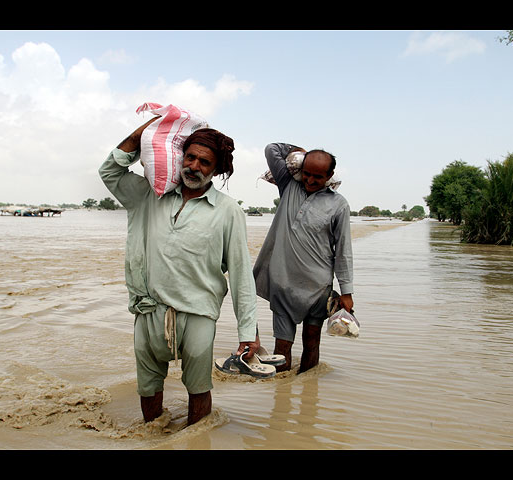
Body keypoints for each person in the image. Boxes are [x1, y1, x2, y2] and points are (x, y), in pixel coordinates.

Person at [99, 117, 259, 425]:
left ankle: (196, 436)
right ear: (180, 157)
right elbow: (109, 171)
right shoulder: (149, 194)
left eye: (204, 162)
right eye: (190, 157)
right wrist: (140, 134)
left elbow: (240, 275)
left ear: (217, 170)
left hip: (198, 312)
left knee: (199, 388)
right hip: (149, 308)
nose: (194, 166)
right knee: (147, 387)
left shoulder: (228, 211)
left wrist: (247, 333)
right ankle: (152, 435)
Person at [253, 142, 354, 373]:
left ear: (329, 176)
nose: (310, 180)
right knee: (282, 348)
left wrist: (346, 292)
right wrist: (301, 151)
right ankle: (282, 399)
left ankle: (309, 394)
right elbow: (271, 149)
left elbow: (343, 251)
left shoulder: (338, 204)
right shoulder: (288, 186)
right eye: (306, 173)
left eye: (318, 176)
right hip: (283, 284)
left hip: (318, 289)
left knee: (311, 343)